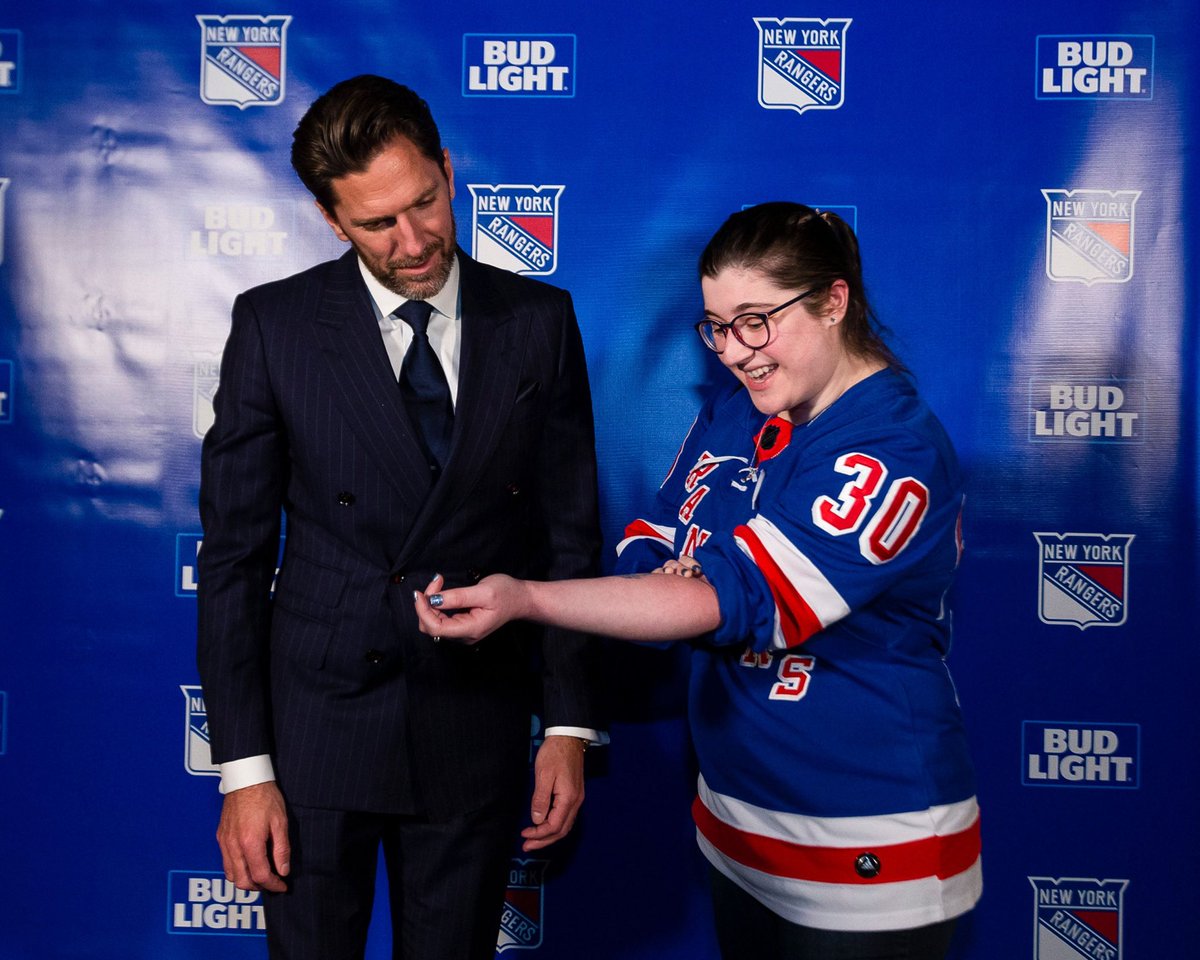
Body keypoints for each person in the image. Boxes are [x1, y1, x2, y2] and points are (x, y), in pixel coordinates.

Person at [414, 202, 982, 960]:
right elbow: (654, 533)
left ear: (833, 301)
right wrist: (670, 577)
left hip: (867, 838)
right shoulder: (733, 410)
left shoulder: (891, 445)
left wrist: (528, 597)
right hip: (736, 822)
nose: (734, 351)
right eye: (716, 326)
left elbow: (729, 600)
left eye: (756, 320)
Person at [196, 74, 605, 960]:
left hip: (473, 722)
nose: (414, 241)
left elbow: (569, 538)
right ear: (330, 219)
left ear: (448, 171)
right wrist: (245, 771)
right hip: (315, 731)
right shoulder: (275, 327)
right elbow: (231, 560)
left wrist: (568, 726)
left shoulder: (540, 321)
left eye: (425, 202)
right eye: (379, 223)